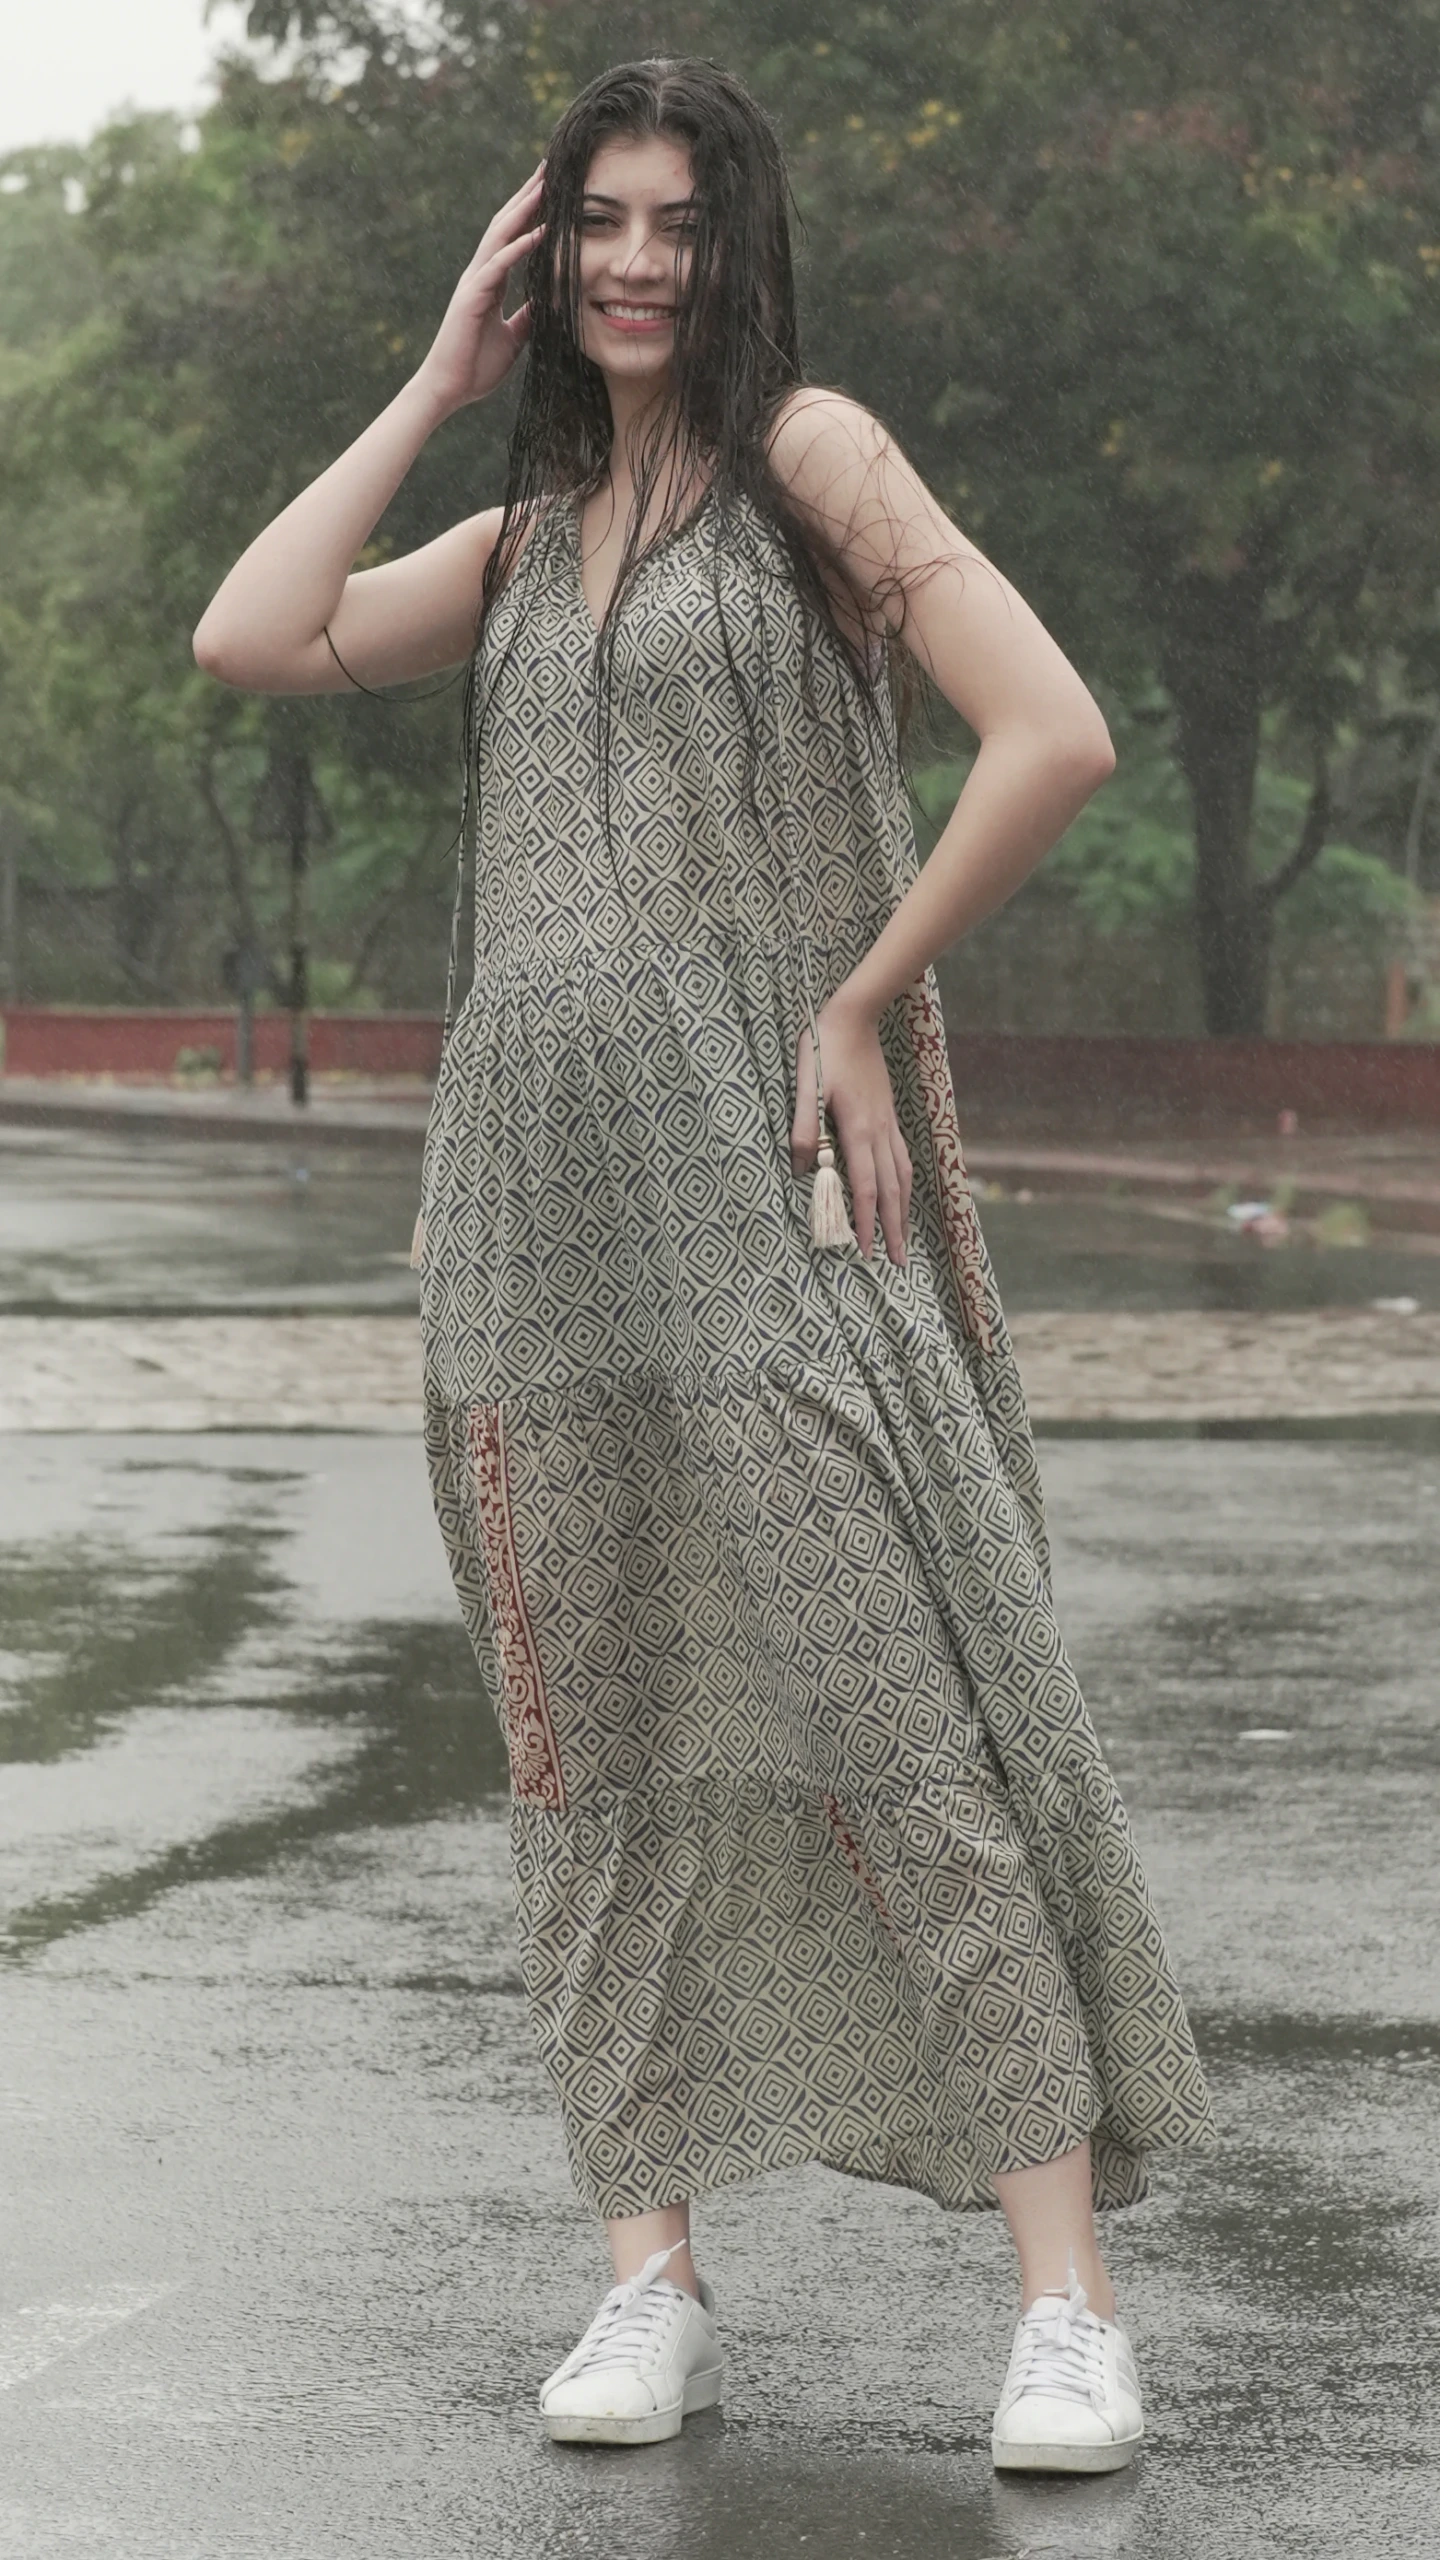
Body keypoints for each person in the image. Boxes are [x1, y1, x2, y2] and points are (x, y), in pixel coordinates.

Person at [194, 54, 1216, 2475]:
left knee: (903, 1714)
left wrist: (860, 997)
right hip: (528, 1220)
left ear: (737, 246)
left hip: (766, 1187)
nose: (639, 264)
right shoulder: (518, 540)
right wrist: (439, 376)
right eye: (599, 225)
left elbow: (1051, 732)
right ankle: (648, 2266)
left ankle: (1065, 2301)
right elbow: (252, 630)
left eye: (678, 222)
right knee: (595, 1745)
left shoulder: (815, 464)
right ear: (546, 254)